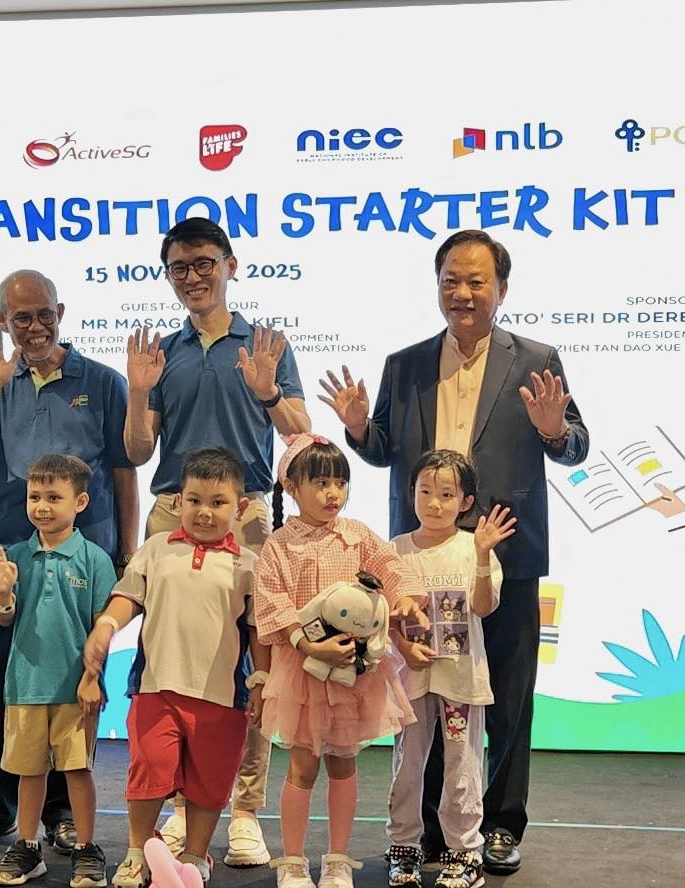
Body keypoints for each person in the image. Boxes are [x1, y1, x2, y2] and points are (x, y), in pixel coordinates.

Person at [318, 229, 589, 873]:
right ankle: (436, 826)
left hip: (504, 554)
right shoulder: (404, 363)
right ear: (436, 285)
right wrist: (359, 430)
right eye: (450, 281)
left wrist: (555, 432)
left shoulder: (536, 358)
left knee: (508, 694)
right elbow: (385, 449)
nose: (462, 293)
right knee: (428, 692)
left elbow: (576, 442)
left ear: (502, 288)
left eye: (476, 282)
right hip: (418, 566)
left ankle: (500, 823)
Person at [122, 218, 311, 866]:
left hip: (249, 513)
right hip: (172, 510)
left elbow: (300, 431)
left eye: (204, 263)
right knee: (169, 668)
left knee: (252, 668)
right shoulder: (162, 352)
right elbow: (136, 449)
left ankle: (244, 810)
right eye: (179, 267)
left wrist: (267, 394)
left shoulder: (262, 342)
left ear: (230, 264)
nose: (193, 276)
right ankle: (178, 810)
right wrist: (139, 392)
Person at [0, 269, 138, 853]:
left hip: (85, 558)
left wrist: (126, 545)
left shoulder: (105, 382)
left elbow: (122, 468)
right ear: (3, 321)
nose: (33, 328)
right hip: (9, 559)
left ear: (61, 312)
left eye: (43, 315)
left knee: (69, 686)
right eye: (20, 318)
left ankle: (62, 812)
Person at [81, 447, 272, 887]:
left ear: (239, 508)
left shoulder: (248, 565)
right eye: (194, 501)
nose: (205, 512)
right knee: (148, 768)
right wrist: (106, 627)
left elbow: (259, 631)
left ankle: (194, 856)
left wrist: (260, 683)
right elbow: (128, 597)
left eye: (218, 503)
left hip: (222, 698)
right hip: (156, 688)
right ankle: (136, 853)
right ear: (177, 502)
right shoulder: (155, 549)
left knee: (210, 783)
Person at [252, 435, 426, 888]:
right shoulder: (279, 545)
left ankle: (337, 859)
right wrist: (309, 646)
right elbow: (271, 602)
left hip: (353, 673)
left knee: (344, 764)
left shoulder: (357, 535)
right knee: (303, 766)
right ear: (291, 486)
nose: (333, 493)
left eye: (340, 483)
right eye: (322, 483)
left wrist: (403, 598)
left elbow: (390, 567)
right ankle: (292, 862)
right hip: (303, 673)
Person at [0, 454, 116, 888]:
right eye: (35, 496)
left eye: (54, 497)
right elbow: (4, 619)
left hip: (76, 691)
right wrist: (2, 592)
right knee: (28, 771)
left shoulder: (95, 560)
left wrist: (92, 680)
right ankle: (28, 846)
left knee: (77, 771)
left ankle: (87, 847)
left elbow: (102, 629)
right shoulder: (15, 557)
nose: (42, 505)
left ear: (80, 501)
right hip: (24, 687)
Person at [385, 450, 516, 888]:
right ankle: (403, 845)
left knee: (462, 765)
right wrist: (404, 647)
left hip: (461, 681)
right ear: (412, 494)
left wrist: (482, 555)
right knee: (407, 764)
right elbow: (384, 617)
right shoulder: (395, 551)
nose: (434, 503)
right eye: (425, 492)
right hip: (411, 679)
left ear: (464, 502)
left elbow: (483, 606)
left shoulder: (470, 548)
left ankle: (465, 851)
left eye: (446, 494)